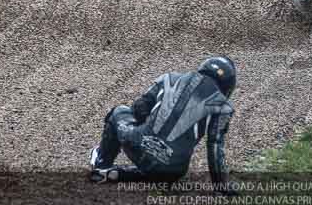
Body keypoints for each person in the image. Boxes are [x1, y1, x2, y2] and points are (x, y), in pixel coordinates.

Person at [89, 55, 236, 188]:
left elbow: (138, 108)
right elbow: (215, 147)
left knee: (119, 111)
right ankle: (123, 174)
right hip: (174, 169)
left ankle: (102, 163)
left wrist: (150, 128)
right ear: (228, 87)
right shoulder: (223, 106)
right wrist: (222, 186)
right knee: (167, 168)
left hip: (139, 144)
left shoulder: (169, 78)